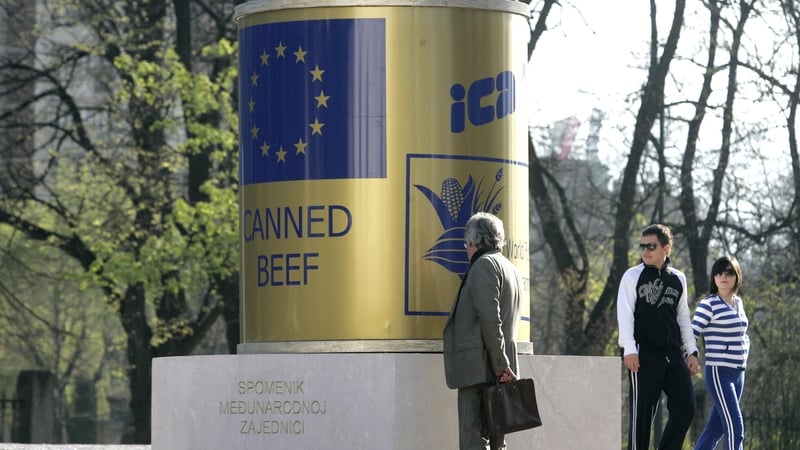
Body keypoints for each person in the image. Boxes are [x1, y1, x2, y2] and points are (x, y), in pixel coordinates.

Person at [443, 212, 522, 450]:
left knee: (473, 440)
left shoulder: (483, 265)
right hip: (500, 369)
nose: (466, 248)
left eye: (466, 243)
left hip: (482, 369)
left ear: (474, 240)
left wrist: (499, 363)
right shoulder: (510, 268)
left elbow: (490, 318)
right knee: (497, 441)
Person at [617, 223, 700, 450]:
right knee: (642, 418)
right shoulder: (632, 276)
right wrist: (629, 348)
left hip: (673, 354)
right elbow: (624, 314)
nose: (645, 251)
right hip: (643, 354)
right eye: (642, 246)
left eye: (651, 246)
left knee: (686, 407)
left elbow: (683, 317)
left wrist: (691, 351)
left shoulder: (678, 278)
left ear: (666, 248)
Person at [692, 255, 749, 450]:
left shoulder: (738, 303)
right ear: (714, 277)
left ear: (737, 276)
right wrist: (692, 355)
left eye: (729, 272)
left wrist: (745, 350)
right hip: (719, 371)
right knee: (735, 427)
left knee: (714, 430)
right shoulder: (709, 304)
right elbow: (692, 332)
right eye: (719, 272)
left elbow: (742, 333)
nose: (723, 276)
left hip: (739, 372)